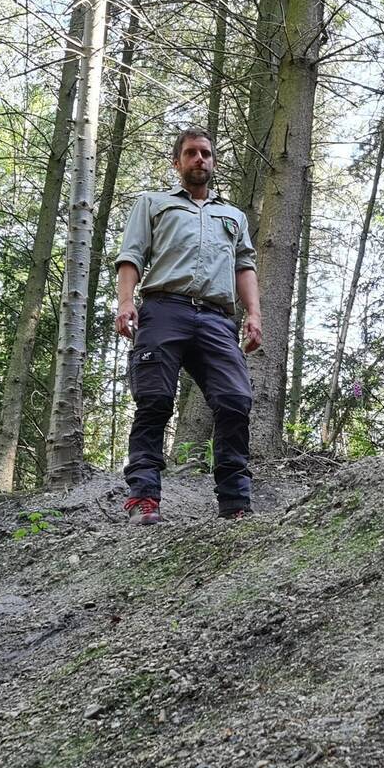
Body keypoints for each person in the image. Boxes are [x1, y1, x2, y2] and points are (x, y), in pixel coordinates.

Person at [113, 128, 262, 522]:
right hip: (163, 309)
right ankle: (143, 497)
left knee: (235, 400)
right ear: (177, 162)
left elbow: (244, 266)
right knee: (155, 400)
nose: (200, 159)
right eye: (192, 153)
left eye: (207, 154)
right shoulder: (153, 204)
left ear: (213, 162)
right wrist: (126, 302)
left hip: (216, 318)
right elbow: (132, 255)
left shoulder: (232, 217)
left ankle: (235, 503)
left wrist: (254, 314)